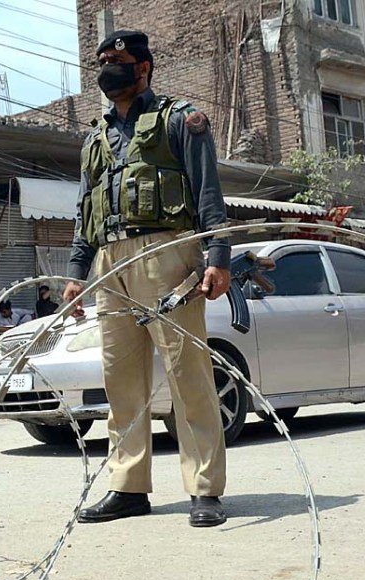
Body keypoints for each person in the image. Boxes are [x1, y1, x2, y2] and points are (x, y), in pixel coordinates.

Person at [62, 29, 231, 528]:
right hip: (110, 261)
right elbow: (85, 210)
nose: (107, 70)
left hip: (167, 252)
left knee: (188, 375)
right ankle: (129, 486)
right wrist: (77, 273)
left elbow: (208, 193)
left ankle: (204, 489)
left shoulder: (182, 120)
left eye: (117, 60)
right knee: (120, 382)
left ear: (143, 68)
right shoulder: (95, 137)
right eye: (102, 62)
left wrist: (217, 256)